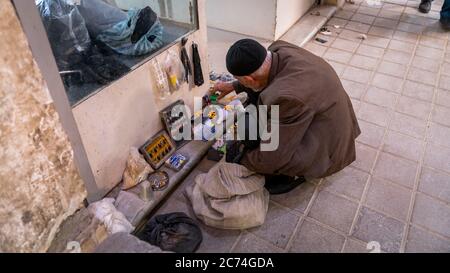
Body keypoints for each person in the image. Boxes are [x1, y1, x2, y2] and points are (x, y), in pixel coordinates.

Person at [213, 39, 361, 194]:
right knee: (255, 113)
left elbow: (272, 156)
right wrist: (233, 86)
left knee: (260, 147)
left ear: (250, 79)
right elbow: (260, 77)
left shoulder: (286, 97)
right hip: (332, 122)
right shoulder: (280, 49)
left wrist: (242, 158)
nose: (240, 82)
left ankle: (290, 175)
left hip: (329, 151)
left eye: (241, 80)